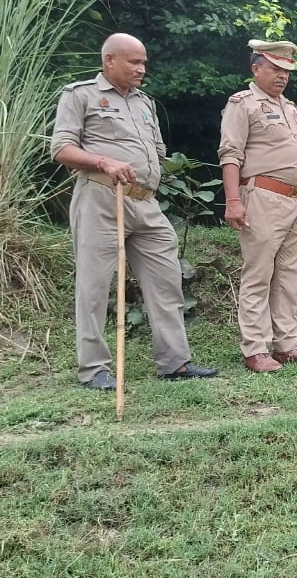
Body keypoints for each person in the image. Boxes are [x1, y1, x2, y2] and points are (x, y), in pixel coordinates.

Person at [51, 33, 218, 390]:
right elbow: (61, 148)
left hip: (146, 201)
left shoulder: (144, 102)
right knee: (95, 285)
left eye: (143, 62)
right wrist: (103, 160)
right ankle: (94, 369)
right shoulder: (79, 95)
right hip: (102, 197)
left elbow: (156, 150)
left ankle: (175, 362)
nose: (142, 69)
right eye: (134, 62)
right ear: (109, 60)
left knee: (166, 279)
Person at [218, 39, 297, 373]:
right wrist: (233, 200)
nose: (282, 76)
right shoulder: (243, 103)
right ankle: (255, 348)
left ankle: (287, 344)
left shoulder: (292, 109)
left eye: (287, 71)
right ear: (256, 68)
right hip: (262, 197)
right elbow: (230, 154)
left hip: (296, 200)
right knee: (258, 274)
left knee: (289, 276)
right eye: (276, 69)